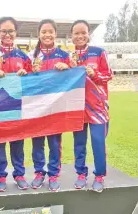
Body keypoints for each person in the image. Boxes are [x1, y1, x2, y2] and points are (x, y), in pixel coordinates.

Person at [0, 17, 32, 192]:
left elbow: (32, 79)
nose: (7, 34)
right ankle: (1, 176)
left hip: (17, 106)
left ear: (16, 33)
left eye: (11, 31)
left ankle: (19, 175)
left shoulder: (23, 56)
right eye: (4, 31)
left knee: (17, 143)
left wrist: (25, 73)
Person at [27, 19, 70, 192]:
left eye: (50, 31)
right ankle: (39, 173)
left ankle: (53, 174)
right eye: (44, 31)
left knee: (54, 143)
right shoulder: (31, 56)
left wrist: (67, 67)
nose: (47, 34)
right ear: (39, 34)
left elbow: (74, 76)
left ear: (55, 34)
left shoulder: (64, 55)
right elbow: (24, 80)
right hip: (36, 108)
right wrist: (29, 71)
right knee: (37, 143)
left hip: (56, 108)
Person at [70, 20, 112, 193]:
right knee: (79, 143)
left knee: (98, 141)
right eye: (76, 33)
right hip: (77, 107)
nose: (80, 36)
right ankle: (81, 174)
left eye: (83, 33)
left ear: (89, 34)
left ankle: (100, 176)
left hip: (97, 107)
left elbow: (109, 75)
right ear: (71, 36)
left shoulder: (99, 52)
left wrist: (95, 74)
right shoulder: (69, 56)